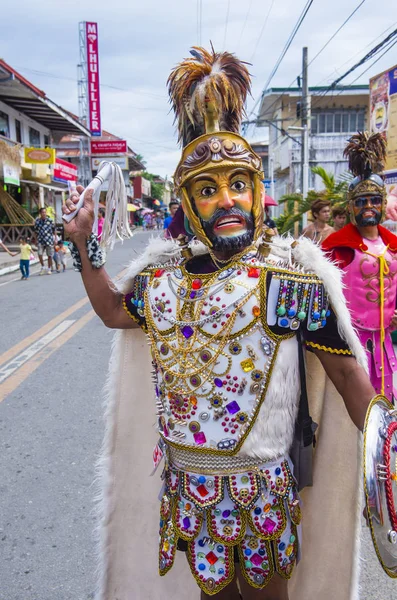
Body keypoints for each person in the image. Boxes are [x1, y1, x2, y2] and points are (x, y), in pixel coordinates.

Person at [63, 48, 377, 600]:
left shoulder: (289, 280)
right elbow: (114, 311)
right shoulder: (164, 281)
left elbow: (350, 380)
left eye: (237, 183)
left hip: (263, 494)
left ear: (256, 193)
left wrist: (387, 443)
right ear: (188, 200)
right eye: (208, 189)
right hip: (191, 492)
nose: (226, 199)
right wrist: (85, 245)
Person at [323, 132, 397, 402]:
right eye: (361, 202)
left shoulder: (393, 246)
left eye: (374, 200)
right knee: (353, 406)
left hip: (385, 342)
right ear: (351, 207)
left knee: (387, 399)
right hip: (349, 345)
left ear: (383, 204)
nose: (368, 207)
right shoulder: (335, 247)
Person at [34, 207, 55, 275]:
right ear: (40, 213)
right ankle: (43, 267)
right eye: (42, 212)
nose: (44, 213)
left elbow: (54, 230)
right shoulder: (37, 221)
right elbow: (35, 231)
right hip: (40, 240)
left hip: (49, 239)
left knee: (49, 255)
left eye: (45, 212)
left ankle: (49, 268)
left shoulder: (50, 220)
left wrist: (56, 239)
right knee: (40, 254)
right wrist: (35, 240)